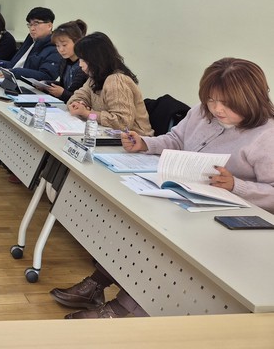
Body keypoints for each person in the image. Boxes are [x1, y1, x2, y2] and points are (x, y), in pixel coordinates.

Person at [51, 57, 274, 319]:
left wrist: (237, 185)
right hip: (184, 202)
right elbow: (176, 139)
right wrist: (146, 144)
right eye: (211, 100)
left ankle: (123, 309)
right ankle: (97, 283)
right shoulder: (201, 113)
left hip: (226, 226)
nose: (217, 109)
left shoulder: (266, 135)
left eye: (226, 103)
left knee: (164, 251)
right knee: (136, 227)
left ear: (250, 99)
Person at [66, 32, 153, 135]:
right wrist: (78, 104)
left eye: (83, 60)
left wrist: (87, 113)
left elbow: (123, 123)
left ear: (95, 59)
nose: (80, 64)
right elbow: (78, 96)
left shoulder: (116, 81)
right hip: (109, 134)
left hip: (135, 139)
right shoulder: (95, 77)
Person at [0, 6, 60, 82]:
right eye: (30, 25)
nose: (32, 29)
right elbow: (16, 64)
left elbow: (46, 76)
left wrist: (14, 73)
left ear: (49, 26)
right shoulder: (30, 40)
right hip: (14, 81)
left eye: (36, 24)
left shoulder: (55, 48)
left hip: (29, 86)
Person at [44, 19, 88, 103]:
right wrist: (45, 85)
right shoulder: (64, 61)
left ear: (77, 42)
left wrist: (63, 93)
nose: (61, 49)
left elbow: (83, 97)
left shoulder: (85, 65)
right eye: (57, 46)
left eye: (64, 45)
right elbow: (65, 85)